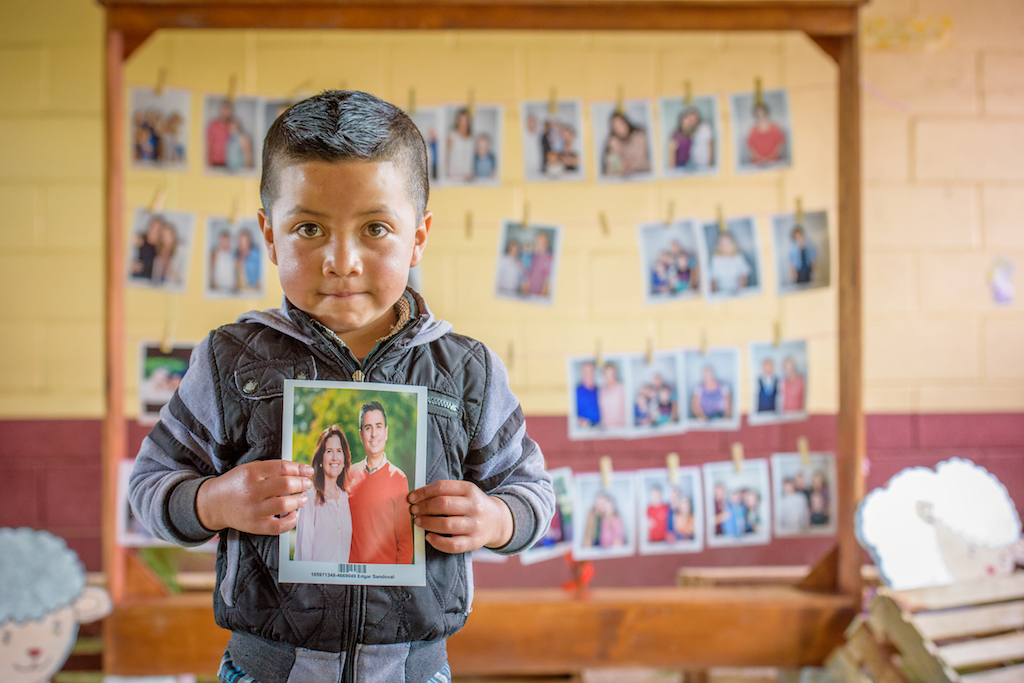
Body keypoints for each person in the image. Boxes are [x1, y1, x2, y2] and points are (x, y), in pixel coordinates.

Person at [129, 90, 555, 683]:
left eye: (376, 227)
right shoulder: (230, 359)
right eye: (308, 227)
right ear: (270, 236)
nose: (342, 260)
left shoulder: (467, 369)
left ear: (419, 236)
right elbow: (150, 486)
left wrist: (494, 519)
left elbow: (532, 493)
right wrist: (214, 501)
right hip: (266, 671)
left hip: (415, 671)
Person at [347, 401, 412, 564]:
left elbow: (405, 542)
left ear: (386, 432)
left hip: (384, 580)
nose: (374, 434)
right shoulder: (349, 475)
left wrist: (397, 582)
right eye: (368, 428)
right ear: (361, 435)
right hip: (348, 577)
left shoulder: (399, 478)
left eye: (379, 427)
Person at [295, 425, 353, 562]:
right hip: (315, 582)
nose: (334, 457)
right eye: (329, 451)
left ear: (344, 458)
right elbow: (303, 554)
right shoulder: (309, 496)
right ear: (321, 459)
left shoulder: (346, 497)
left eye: (339, 451)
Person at [602, 111, 650, 177]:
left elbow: (641, 162)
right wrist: (615, 151)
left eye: (621, 124)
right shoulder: (615, 142)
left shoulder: (639, 136)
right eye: (616, 127)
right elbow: (609, 171)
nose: (620, 129)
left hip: (644, 177)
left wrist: (625, 165)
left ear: (626, 122)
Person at [708, 231, 751, 296]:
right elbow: (713, 280)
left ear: (732, 244)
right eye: (722, 244)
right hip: (721, 293)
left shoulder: (738, 258)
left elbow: (744, 276)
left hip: (737, 293)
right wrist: (716, 295)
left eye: (727, 243)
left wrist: (740, 291)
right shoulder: (715, 259)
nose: (724, 247)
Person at [746, 101, 786, 165]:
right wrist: (760, 159)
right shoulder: (753, 129)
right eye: (758, 115)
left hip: (775, 162)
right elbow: (750, 147)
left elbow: (781, 144)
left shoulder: (775, 127)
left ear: (766, 113)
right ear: (755, 115)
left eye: (763, 114)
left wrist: (771, 158)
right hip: (758, 163)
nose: (761, 116)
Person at [445, 107, 475, 182]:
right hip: (453, 176)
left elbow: (471, 158)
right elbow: (446, 154)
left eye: (466, 120)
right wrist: (446, 172)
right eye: (461, 120)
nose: (463, 123)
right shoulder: (452, 135)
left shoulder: (471, 138)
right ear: (457, 120)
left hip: (468, 177)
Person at [597, 362, 626, 429]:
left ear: (615, 374)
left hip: (620, 428)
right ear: (603, 375)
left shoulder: (621, 388)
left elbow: (625, 409)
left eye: (611, 374)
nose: (609, 377)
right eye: (607, 374)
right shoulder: (601, 390)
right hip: (605, 428)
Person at [206, 100, 234, 168]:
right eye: (225, 109)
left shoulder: (232, 125)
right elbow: (208, 143)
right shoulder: (213, 125)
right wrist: (207, 162)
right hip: (214, 161)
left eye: (228, 109)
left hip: (229, 162)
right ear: (221, 110)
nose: (226, 112)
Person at [525, 230, 553, 297]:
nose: (538, 242)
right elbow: (530, 273)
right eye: (537, 240)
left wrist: (542, 298)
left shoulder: (548, 258)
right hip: (529, 293)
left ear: (546, 243)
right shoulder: (534, 256)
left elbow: (548, 281)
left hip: (538, 296)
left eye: (541, 240)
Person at [575, 361, 601, 428]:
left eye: (591, 371)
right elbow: (572, 416)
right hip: (585, 430)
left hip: (600, 429)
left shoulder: (599, 390)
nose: (589, 374)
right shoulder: (577, 392)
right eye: (586, 372)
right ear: (582, 373)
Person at [235, 228, 261, 292]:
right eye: (241, 241)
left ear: (249, 241)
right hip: (240, 291)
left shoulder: (256, 255)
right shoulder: (236, 255)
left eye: (245, 241)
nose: (243, 243)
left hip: (253, 290)